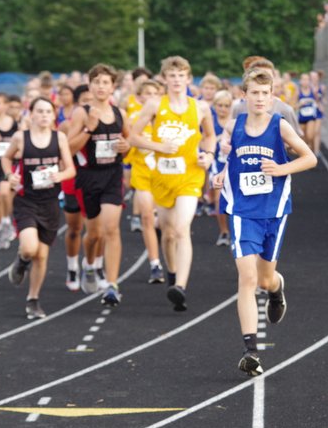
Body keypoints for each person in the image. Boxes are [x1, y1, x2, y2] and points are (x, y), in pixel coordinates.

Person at [213, 68, 317, 376]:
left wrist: (281, 169)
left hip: (273, 210)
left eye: (265, 93)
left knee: (264, 279)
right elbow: (228, 156)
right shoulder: (234, 125)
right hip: (242, 210)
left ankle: (276, 287)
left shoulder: (279, 125)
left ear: (272, 97)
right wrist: (221, 172)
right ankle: (250, 350)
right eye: (254, 93)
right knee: (246, 278)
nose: (260, 98)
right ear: (243, 95)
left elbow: (310, 158)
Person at [129, 55, 217, 312]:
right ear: (164, 79)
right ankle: (172, 273)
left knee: (181, 228)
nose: (177, 80)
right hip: (162, 177)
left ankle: (180, 286)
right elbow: (133, 137)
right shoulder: (155, 105)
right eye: (172, 76)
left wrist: (209, 155)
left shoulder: (200, 108)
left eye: (181, 76)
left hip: (190, 176)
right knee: (167, 234)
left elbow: (210, 136)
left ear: (189, 79)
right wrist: (158, 146)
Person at [2, 97, 76, 319]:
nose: (44, 115)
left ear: (53, 115)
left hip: (50, 202)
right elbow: (6, 158)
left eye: (48, 112)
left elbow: (70, 169)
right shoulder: (21, 138)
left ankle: (33, 299)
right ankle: (21, 260)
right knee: (29, 248)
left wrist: (60, 175)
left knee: (42, 256)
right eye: (40, 111)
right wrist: (10, 175)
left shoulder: (59, 138)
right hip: (26, 200)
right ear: (31, 114)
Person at [66, 64, 131, 307]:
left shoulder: (120, 113)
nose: (101, 86)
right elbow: (69, 148)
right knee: (93, 235)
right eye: (97, 82)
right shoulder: (82, 113)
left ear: (113, 87)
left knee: (110, 229)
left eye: (106, 82)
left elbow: (127, 142)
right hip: (88, 177)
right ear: (90, 85)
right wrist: (89, 129)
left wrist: (126, 147)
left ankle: (112, 285)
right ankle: (89, 264)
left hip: (112, 175)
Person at [126, 77, 166, 284]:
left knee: (166, 224)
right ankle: (155, 264)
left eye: (155, 94)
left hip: (165, 176)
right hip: (142, 174)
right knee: (147, 218)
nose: (151, 97)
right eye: (147, 94)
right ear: (140, 97)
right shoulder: (133, 120)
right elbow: (128, 145)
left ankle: (171, 261)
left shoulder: (167, 120)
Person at [59, 83, 89, 291]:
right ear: (77, 104)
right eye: (85, 101)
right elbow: (63, 153)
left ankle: (92, 265)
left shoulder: (107, 122)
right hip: (73, 180)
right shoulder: (66, 126)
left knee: (97, 230)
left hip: (96, 180)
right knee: (74, 228)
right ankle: (72, 267)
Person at [0, 91, 20, 250]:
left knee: (5, 193)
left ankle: (7, 221)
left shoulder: (15, 124)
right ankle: (1, 227)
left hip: (9, 165)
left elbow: (22, 145)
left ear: (6, 105)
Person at [210, 89, 234, 247]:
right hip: (217, 165)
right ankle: (224, 231)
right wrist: (216, 140)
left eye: (226, 106)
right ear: (214, 106)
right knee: (219, 200)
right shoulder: (210, 122)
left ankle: (236, 232)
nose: (223, 109)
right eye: (220, 105)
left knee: (236, 201)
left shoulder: (236, 123)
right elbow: (202, 141)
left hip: (234, 165)